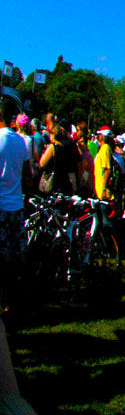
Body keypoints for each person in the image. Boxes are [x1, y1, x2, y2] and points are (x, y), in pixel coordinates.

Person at [0, 102, 30, 310]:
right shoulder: (20, 142)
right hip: (16, 204)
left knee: (2, 256)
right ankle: (12, 296)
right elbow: (28, 175)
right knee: (14, 253)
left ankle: (4, 298)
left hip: (1, 205)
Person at [38, 124, 81, 195]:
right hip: (68, 181)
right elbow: (79, 163)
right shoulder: (72, 145)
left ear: (53, 134)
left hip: (54, 181)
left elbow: (42, 164)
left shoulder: (53, 147)